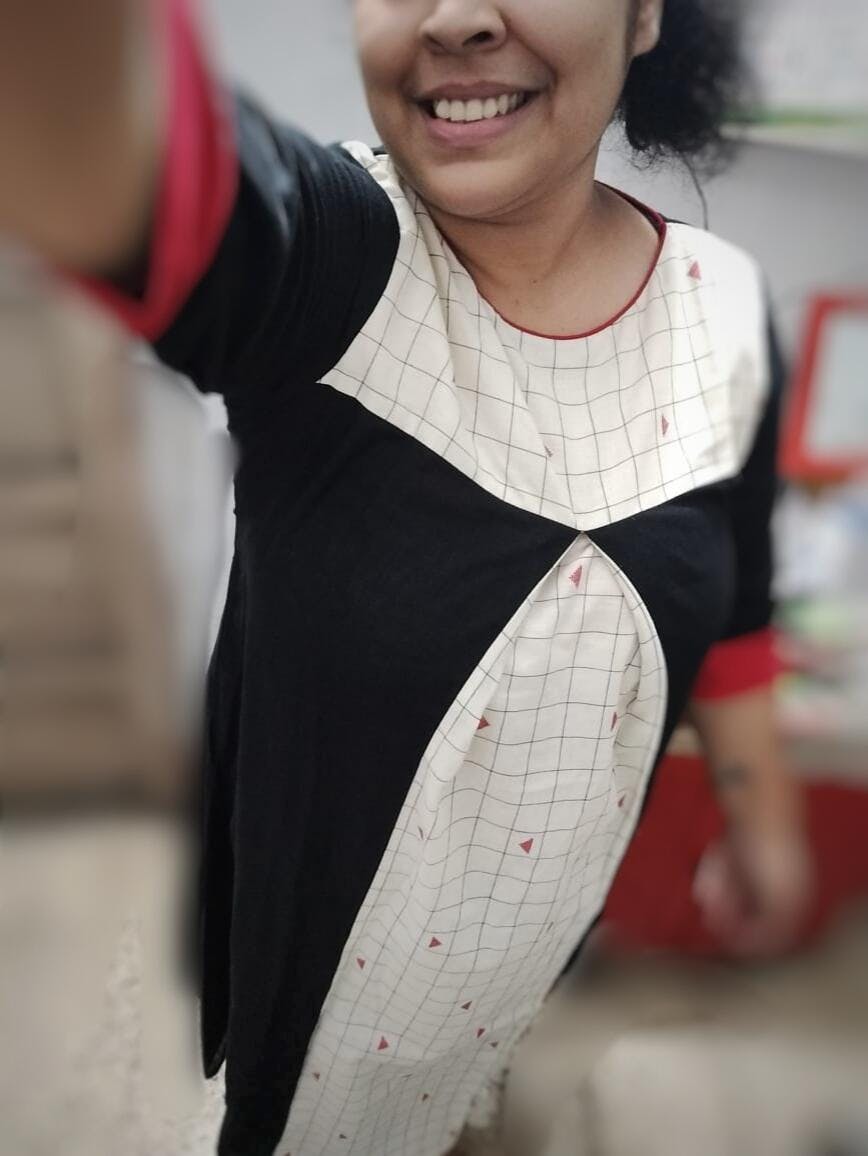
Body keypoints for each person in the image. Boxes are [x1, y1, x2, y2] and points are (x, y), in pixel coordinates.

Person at [0, 1, 815, 1154]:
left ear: (645, 15)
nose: (454, 16)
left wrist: (759, 815)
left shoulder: (720, 307)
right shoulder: (340, 262)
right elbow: (114, 144)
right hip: (263, 1042)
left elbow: (736, 603)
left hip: (494, 1006)